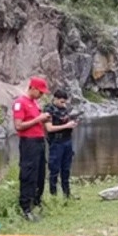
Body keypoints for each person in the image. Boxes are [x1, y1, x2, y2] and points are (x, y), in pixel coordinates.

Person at [12, 76, 51, 221]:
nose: (41, 95)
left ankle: (37, 201)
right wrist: (38, 119)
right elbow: (18, 125)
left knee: (40, 173)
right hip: (28, 142)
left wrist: (43, 120)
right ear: (33, 88)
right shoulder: (20, 102)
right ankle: (25, 207)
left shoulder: (35, 103)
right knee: (28, 173)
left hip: (39, 141)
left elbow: (36, 122)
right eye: (40, 92)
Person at [44, 89, 78, 199]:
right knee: (54, 170)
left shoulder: (65, 109)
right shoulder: (48, 110)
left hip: (67, 141)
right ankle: (53, 196)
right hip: (56, 143)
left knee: (66, 169)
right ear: (55, 99)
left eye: (65, 102)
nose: (64, 104)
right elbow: (49, 128)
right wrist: (66, 126)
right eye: (62, 102)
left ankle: (67, 194)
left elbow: (66, 121)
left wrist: (72, 124)